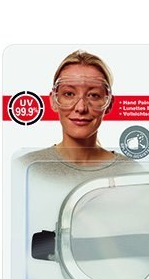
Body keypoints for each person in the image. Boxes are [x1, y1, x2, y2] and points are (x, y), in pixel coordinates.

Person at [19, 50, 140, 184]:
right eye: (69, 94)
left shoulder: (131, 172)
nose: (81, 108)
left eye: (93, 95)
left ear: (109, 104)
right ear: (53, 101)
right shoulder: (25, 168)